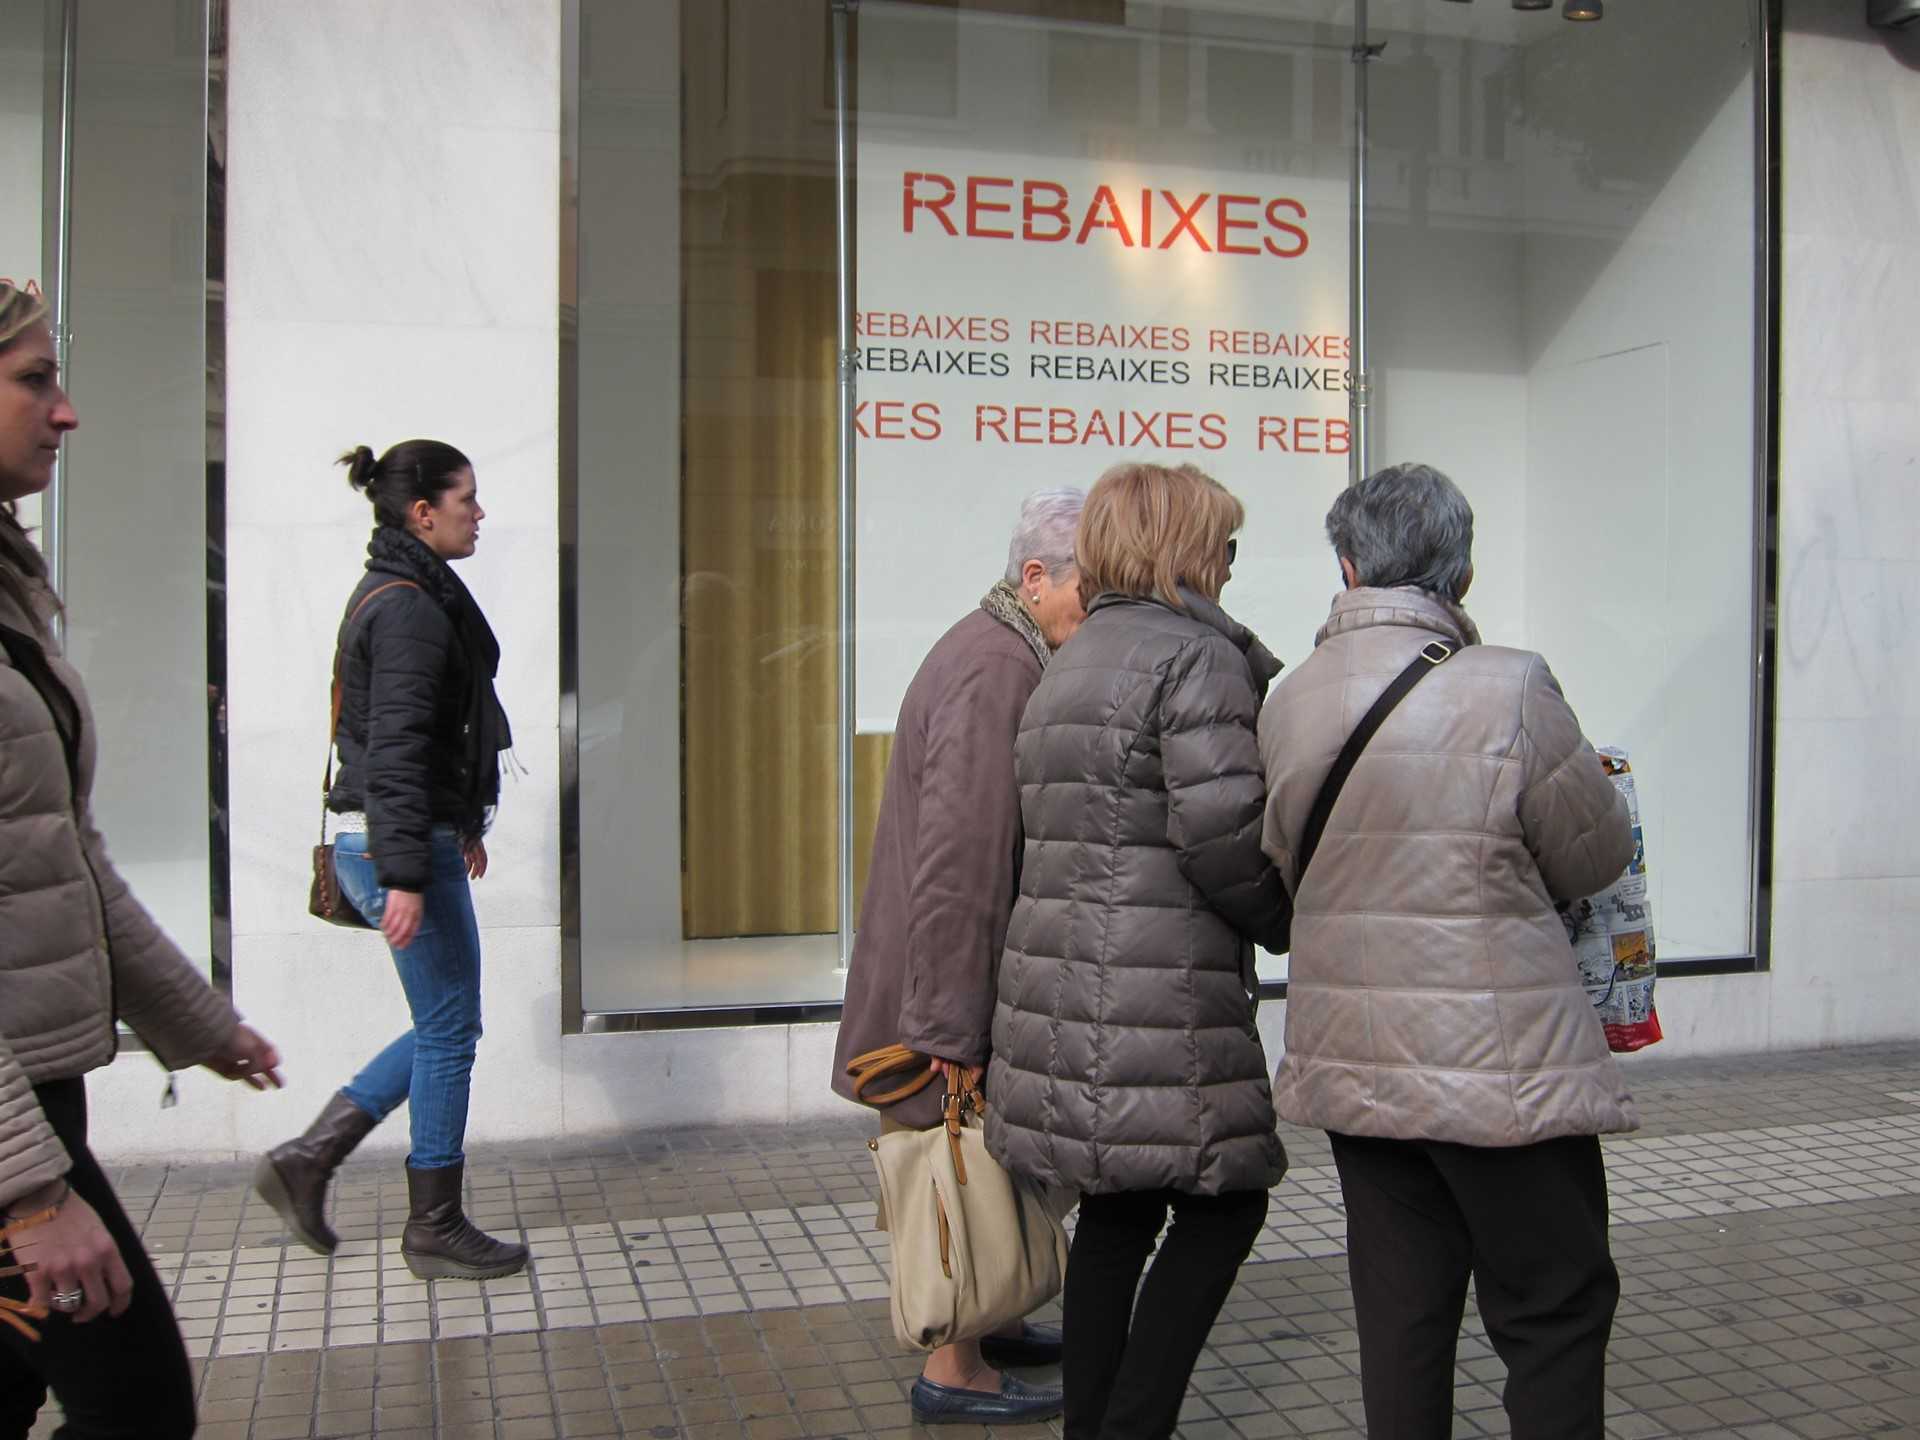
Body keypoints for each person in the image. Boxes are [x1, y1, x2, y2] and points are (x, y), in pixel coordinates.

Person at [1256, 461, 1637, 1440]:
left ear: (1347, 566)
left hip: (1358, 1054)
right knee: (1553, 1309)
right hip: (1499, 1067)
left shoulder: (1291, 698)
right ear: (1460, 575)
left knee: (1402, 1323)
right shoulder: (1510, 685)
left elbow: (1282, 863)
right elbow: (1593, 851)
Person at [0, 277, 284, 1438]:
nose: (65, 411)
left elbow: (62, 849)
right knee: (139, 1409)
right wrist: (28, 1196)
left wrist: (194, 1019)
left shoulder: (9, 588)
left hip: (34, 1094)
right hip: (13, 1136)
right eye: (33, 380)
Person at [987, 461, 1291, 1440]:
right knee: (1225, 1206)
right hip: (1163, 1002)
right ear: (1185, 552)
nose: (1231, 569)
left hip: (1078, 993)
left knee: (1118, 1217)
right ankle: (1134, 1423)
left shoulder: (1069, 656)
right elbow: (1225, 838)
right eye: (1224, 547)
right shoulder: (1194, 660)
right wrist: (1292, 917)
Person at [831, 486, 1086, 1426]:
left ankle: (988, 1320)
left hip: (940, 967)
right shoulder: (996, 668)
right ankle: (955, 1368)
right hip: (939, 975)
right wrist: (946, 1020)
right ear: (1034, 576)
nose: (1090, 615)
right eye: (1086, 592)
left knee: (977, 1165)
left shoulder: (995, 647)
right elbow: (962, 858)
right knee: (952, 1166)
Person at [253, 438, 525, 1281]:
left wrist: (460, 826)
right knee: (451, 1030)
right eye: (467, 499)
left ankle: (312, 1160)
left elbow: (412, 740)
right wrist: (408, 870)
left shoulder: (402, 592)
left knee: (448, 1023)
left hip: (401, 836)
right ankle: (428, 1222)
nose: (479, 514)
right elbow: (398, 748)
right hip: (393, 844)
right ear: (422, 512)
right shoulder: (409, 606)